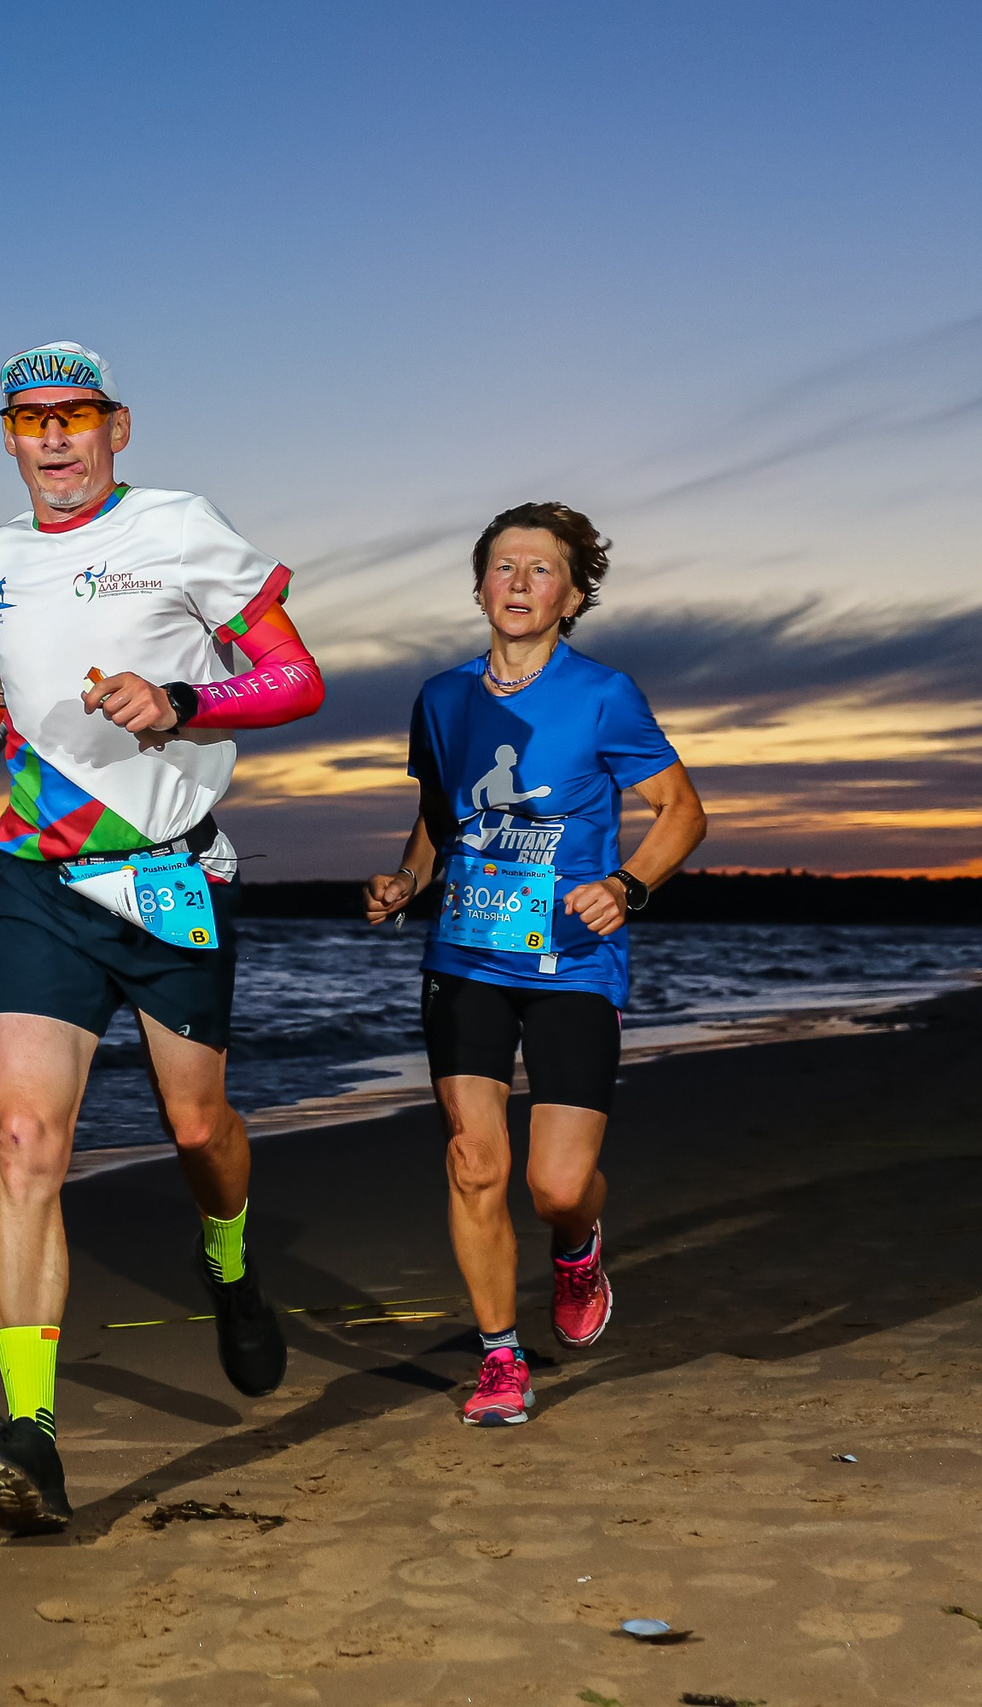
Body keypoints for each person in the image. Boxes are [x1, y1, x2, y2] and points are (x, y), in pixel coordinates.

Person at [0, 342, 327, 1531]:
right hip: (38, 871)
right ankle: (28, 1434)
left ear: (116, 427)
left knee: (198, 1127)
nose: (55, 439)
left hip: (171, 874)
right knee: (26, 1138)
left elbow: (294, 677)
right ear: (7, 437)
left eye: (75, 416)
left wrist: (185, 702)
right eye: (30, 420)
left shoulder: (182, 528)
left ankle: (229, 1260)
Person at [364, 502, 706, 1427]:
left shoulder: (604, 694)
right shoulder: (440, 697)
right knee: (476, 1162)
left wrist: (629, 885)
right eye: (502, 567)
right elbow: (443, 817)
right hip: (465, 954)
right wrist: (407, 878)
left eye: (539, 569)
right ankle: (500, 1356)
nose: (517, 583)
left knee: (553, 1182)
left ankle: (577, 1238)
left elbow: (681, 811)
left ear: (573, 594)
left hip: (575, 960)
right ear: (479, 584)